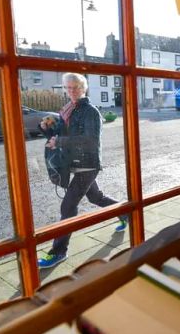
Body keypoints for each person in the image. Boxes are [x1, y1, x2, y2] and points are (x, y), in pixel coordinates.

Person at [37, 72, 127, 269]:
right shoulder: (68, 109)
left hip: (88, 164)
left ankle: (59, 252)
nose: (72, 91)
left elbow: (90, 140)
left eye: (76, 87)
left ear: (84, 88)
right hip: (74, 163)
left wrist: (59, 140)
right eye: (68, 88)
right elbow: (62, 134)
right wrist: (47, 130)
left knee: (67, 207)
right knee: (96, 197)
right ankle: (125, 213)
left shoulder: (90, 111)